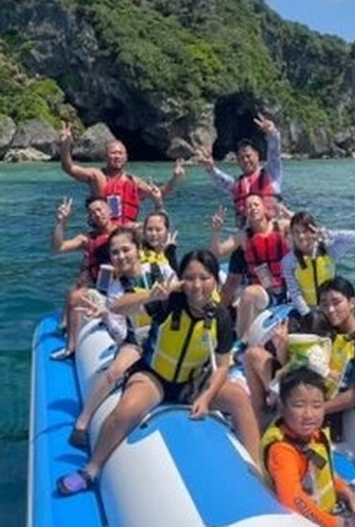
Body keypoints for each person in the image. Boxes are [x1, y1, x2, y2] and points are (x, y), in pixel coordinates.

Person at [56, 250, 261, 495]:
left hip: (192, 382)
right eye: (189, 278)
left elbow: (223, 365)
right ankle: (91, 469)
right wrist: (150, 295)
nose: (197, 285)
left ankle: (257, 470)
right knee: (127, 409)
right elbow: (117, 307)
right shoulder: (168, 302)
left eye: (204, 278)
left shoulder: (220, 317)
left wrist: (207, 398)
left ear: (215, 280)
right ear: (181, 280)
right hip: (155, 377)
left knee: (239, 398)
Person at [66, 226, 177, 448]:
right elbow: (120, 331)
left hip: (168, 336)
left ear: (138, 249)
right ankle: (83, 420)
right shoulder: (116, 287)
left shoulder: (161, 270)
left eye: (126, 249)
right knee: (114, 372)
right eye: (115, 253)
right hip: (138, 341)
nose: (121, 256)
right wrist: (105, 315)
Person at [246, 277, 355, 434]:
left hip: (322, 404)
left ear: (352, 303)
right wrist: (281, 347)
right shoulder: (323, 327)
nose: (330, 310)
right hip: (300, 386)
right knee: (253, 355)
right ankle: (260, 414)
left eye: (336, 302)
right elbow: (295, 365)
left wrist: (314, 410)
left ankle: (273, 417)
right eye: (324, 304)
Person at [261, 366, 355, 527]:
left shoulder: (313, 436)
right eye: (299, 405)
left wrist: (350, 496)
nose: (308, 414)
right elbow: (293, 499)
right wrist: (335, 523)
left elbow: (324, 470)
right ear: (283, 408)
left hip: (326, 511)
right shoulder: (282, 450)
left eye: (317, 405)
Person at [197, 113, 283, 309]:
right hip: (245, 240)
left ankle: (272, 307)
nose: (246, 160)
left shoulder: (271, 174)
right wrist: (210, 168)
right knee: (231, 284)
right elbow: (222, 180)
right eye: (241, 158)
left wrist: (273, 134)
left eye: (249, 156)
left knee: (267, 282)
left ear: (257, 156)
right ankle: (220, 316)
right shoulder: (238, 184)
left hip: (270, 236)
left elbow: (275, 154)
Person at [59, 122, 185, 226]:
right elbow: (69, 168)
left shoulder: (133, 181)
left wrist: (175, 178)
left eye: (120, 153)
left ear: (126, 158)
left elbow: (159, 193)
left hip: (127, 234)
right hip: (104, 231)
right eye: (113, 153)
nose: (117, 156)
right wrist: (65, 145)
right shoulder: (96, 175)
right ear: (105, 156)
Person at [209, 193, 290, 342]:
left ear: (264, 208)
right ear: (245, 213)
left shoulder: (281, 226)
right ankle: (242, 341)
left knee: (248, 293)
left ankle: (241, 341)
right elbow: (218, 251)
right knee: (248, 293)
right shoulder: (243, 236)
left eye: (256, 204)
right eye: (248, 206)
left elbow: (305, 227)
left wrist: (287, 213)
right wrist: (216, 231)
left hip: (282, 290)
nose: (252, 208)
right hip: (262, 292)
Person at [50, 195, 117, 360]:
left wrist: (158, 203)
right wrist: (61, 222)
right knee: (74, 291)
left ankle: (70, 344)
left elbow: (153, 232)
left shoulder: (124, 232)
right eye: (92, 213)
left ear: (109, 210)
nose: (97, 214)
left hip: (119, 286)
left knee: (75, 294)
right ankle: (70, 344)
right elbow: (58, 248)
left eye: (100, 209)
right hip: (100, 288)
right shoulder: (87, 239)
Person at [282, 211, 355, 318]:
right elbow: (294, 292)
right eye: (296, 232)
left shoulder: (329, 250)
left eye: (305, 231)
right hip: (308, 308)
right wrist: (307, 314)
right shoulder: (289, 261)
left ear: (313, 231)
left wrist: (326, 234)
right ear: (291, 233)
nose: (301, 236)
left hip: (331, 307)